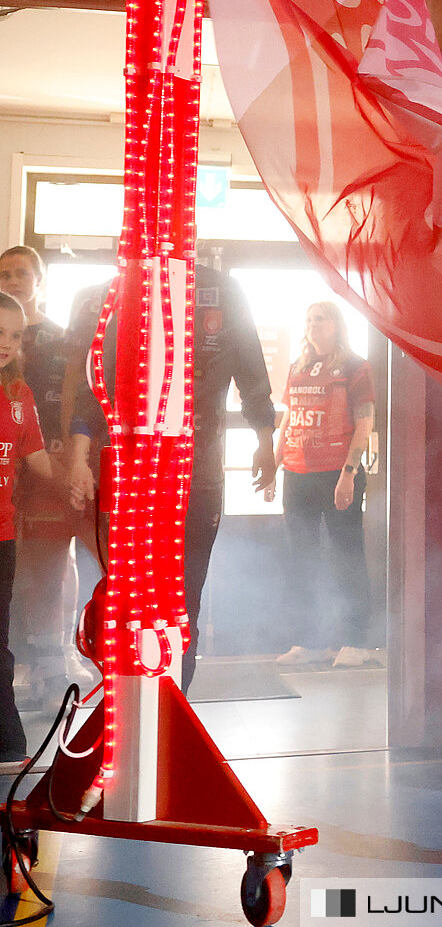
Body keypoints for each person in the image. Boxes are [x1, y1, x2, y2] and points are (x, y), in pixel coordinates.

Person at [65, 263, 278, 690]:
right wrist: (78, 455)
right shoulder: (117, 290)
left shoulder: (221, 289)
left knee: (184, 603)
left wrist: (265, 439)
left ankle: (174, 704)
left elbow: (252, 371)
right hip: (130, 479)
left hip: (199, 476)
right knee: (123, 599)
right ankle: (126, 706)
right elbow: (96, 386)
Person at [268, 301, 374, 668]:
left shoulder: (354, 366)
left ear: (336, 325)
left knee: (347, 555)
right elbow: (287, 421)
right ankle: (308, 641)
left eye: (321, 319)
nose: (313, 325)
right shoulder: (298, 367)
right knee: (301, 559)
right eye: (309, 319)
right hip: (297, 475)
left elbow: (364, 423)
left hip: (337, 475)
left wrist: (348, 473)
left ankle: (357, 641)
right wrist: (272, 464)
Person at [0, 246, 81, 699]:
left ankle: (52, 655)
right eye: (5, 274)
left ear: (40, 279)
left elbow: (73, 400)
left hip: (43, 469)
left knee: (48, 566)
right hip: (12, 484)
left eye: (22, 273)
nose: (13, 280)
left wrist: (75, 470)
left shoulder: (58, 342)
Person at [0, 291, 58, 766]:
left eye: (15, 336)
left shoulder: (20, 395)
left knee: (0, 639)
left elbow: (36, 459)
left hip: (2, 536)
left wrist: (81, 483)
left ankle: (7, 741)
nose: (6, 344)